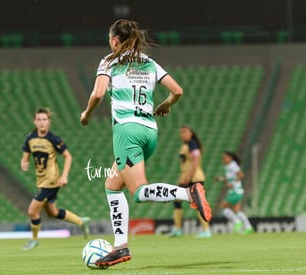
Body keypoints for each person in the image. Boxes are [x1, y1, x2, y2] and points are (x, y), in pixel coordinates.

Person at [80, 19, 212, 267]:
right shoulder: (149, 62)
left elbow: (98, 93)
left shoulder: (109, 60)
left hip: (126, 131)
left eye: (110, 39)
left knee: (139, 192)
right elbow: (178, 91)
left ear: (115, 41)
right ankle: (120, 247)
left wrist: (86, 115)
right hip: (150, 131)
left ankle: (188, 193)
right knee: (112, 185)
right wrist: (165, 105)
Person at [21, 108, 90, 250]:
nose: (41, 123)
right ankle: (81, 221)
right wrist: (25, 162)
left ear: (49, 122)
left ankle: (34, 239)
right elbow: (25, 155)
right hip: (40, 180)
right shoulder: (30, 138)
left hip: (51, 181)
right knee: (52, 212)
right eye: (39, 119)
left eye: (44, 119)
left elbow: (68, 156)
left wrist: (64, 176)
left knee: (32, 211)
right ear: (35, 121)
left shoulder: (53, 139)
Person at [167, 126, 212, 238]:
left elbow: (195, 161)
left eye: (185, 132)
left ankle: (206, 230)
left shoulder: (192, 144)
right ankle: (178, 229)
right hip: (187, 176)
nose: (182, 134)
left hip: (194, 177)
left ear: (191, 133)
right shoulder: (186, 145)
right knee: (177, 200)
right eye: (181, 132)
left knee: (197, 203)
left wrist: (187, 176)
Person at [215, 151, 254, 234]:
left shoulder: (233, 165)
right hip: (236, 190)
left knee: (224, 206)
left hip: (235, 191)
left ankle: (237, 222)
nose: (223, 159)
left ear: (230, 158)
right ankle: (248, 227)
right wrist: (220, 179)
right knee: (237, 210)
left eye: (225, 157)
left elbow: (241, 175)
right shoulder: (228, 166)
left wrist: (233, 183)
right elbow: (229, 178)